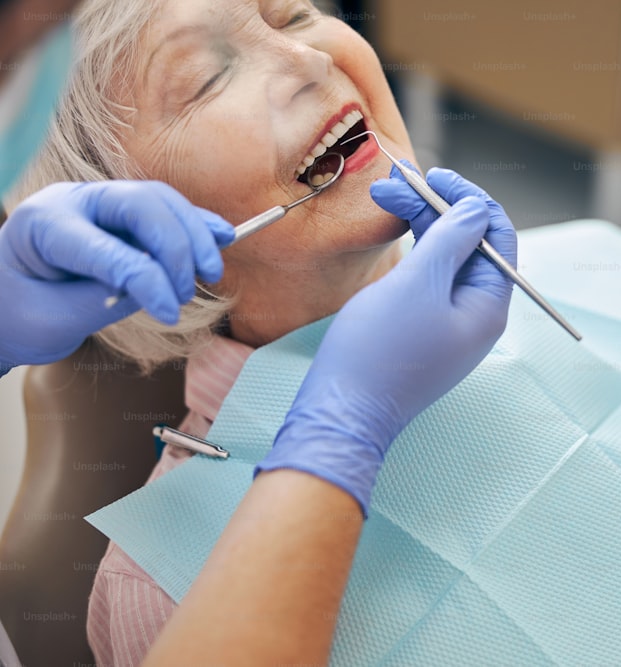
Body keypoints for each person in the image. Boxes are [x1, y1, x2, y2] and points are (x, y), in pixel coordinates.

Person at [0, 1, 514, 665]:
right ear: (130, 219)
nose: (307, 61)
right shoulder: (160, 585)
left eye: (295, 15)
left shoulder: (593, 268)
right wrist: (343, 428)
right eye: (207, 78)